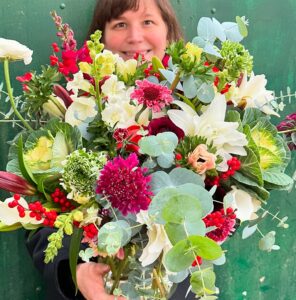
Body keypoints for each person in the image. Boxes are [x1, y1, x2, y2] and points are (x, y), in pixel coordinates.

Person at [27, 1, 193, 299]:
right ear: (101, 38)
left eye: (147, 22)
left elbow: (215, 210)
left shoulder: (194, 112)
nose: (134, 36)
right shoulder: (76, 111)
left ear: (169, 34)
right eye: (119, 24)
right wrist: (76, 271)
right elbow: (39, 214)